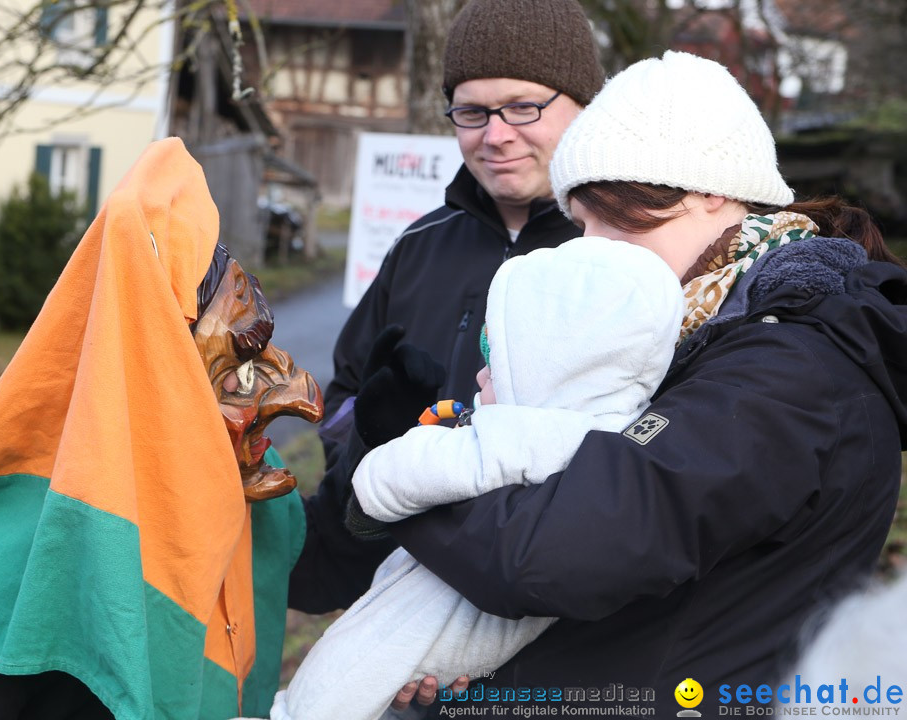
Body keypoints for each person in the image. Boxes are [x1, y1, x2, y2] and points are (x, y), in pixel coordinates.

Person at [380, 50, 907, 717]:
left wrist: (410, 481)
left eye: (616, 216)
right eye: (580, 222)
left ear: (710, 190)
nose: (591, 248)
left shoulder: (788, 367)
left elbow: (553, 555)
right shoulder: (695, 332)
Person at [0, 138, 323, 720]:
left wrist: (380, 464)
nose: (301, 393)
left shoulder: (228, 514)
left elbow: (320, 563)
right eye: (241, 368)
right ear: (157, 386)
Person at [260, 237, 684, 720]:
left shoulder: (522, 437)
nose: (479, 375)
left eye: (495, 357)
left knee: (346, 671)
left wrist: (384, 459)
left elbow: (392, 483)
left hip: (444, 622)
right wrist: (370, 428)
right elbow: (345, 399)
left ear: (551, 362)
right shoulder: (621, 437)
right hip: (470, 638)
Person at [290, 0, 606, 635]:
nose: (496, 135)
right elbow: (347, 395)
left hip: (554, 623)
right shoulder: (417, 246)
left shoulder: (618, 255)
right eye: (472, 111)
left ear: (584, 108)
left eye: (523, 107)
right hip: (396, 606)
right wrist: (370, 438)